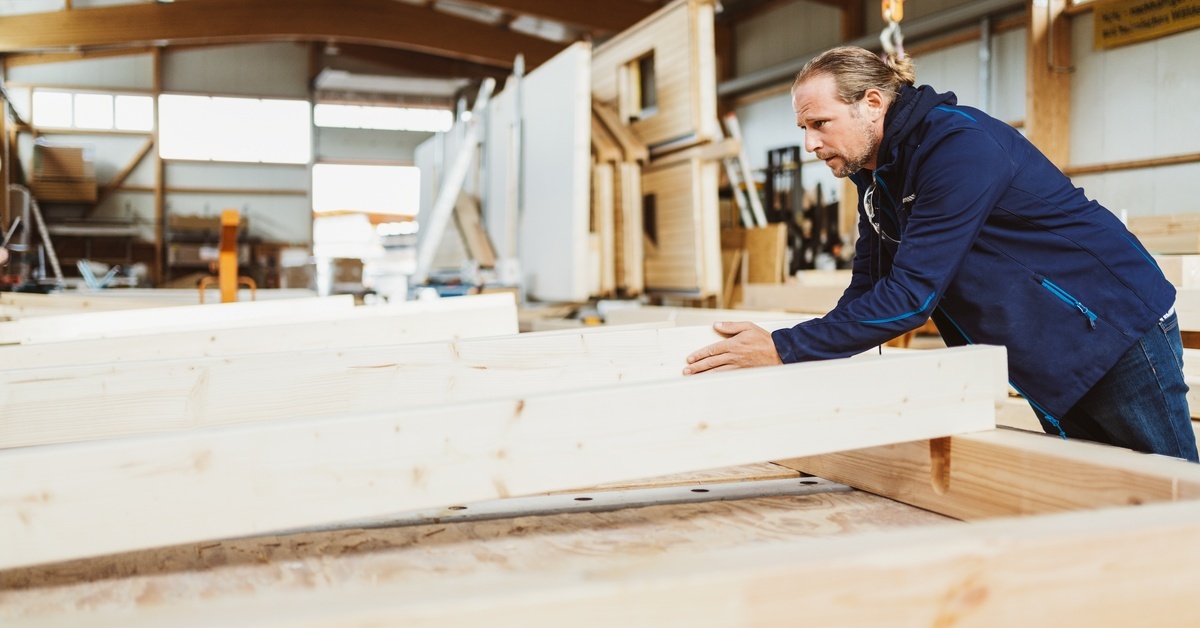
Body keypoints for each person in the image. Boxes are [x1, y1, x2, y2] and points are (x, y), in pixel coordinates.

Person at [684, 46, 1197, 462]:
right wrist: (804, 359)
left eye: (820, 123)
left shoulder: (959, 148)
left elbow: (912, 298)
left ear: (871, 103)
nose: (810, 144)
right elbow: (870, 286)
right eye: (804, 129)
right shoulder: (877, 172)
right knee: (1102, 495)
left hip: (1114, 332)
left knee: (1175, 499)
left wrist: (784, 347)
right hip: (1047, 349)